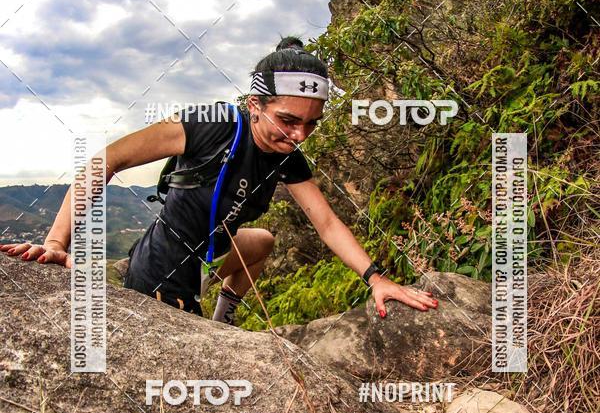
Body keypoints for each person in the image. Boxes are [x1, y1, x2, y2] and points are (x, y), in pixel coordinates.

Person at [0, 37, 438, 324]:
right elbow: (107, 160)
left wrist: (376, 278)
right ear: (255, 105)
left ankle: (223, 319)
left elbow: (326, 223)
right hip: (163, 268)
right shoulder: (212, 125)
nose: (299, 135)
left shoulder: (287, 155)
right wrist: (57, 243)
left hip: (215, 247)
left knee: (262, 240)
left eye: (311, 124)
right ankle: (199, 309)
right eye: (288, 120)